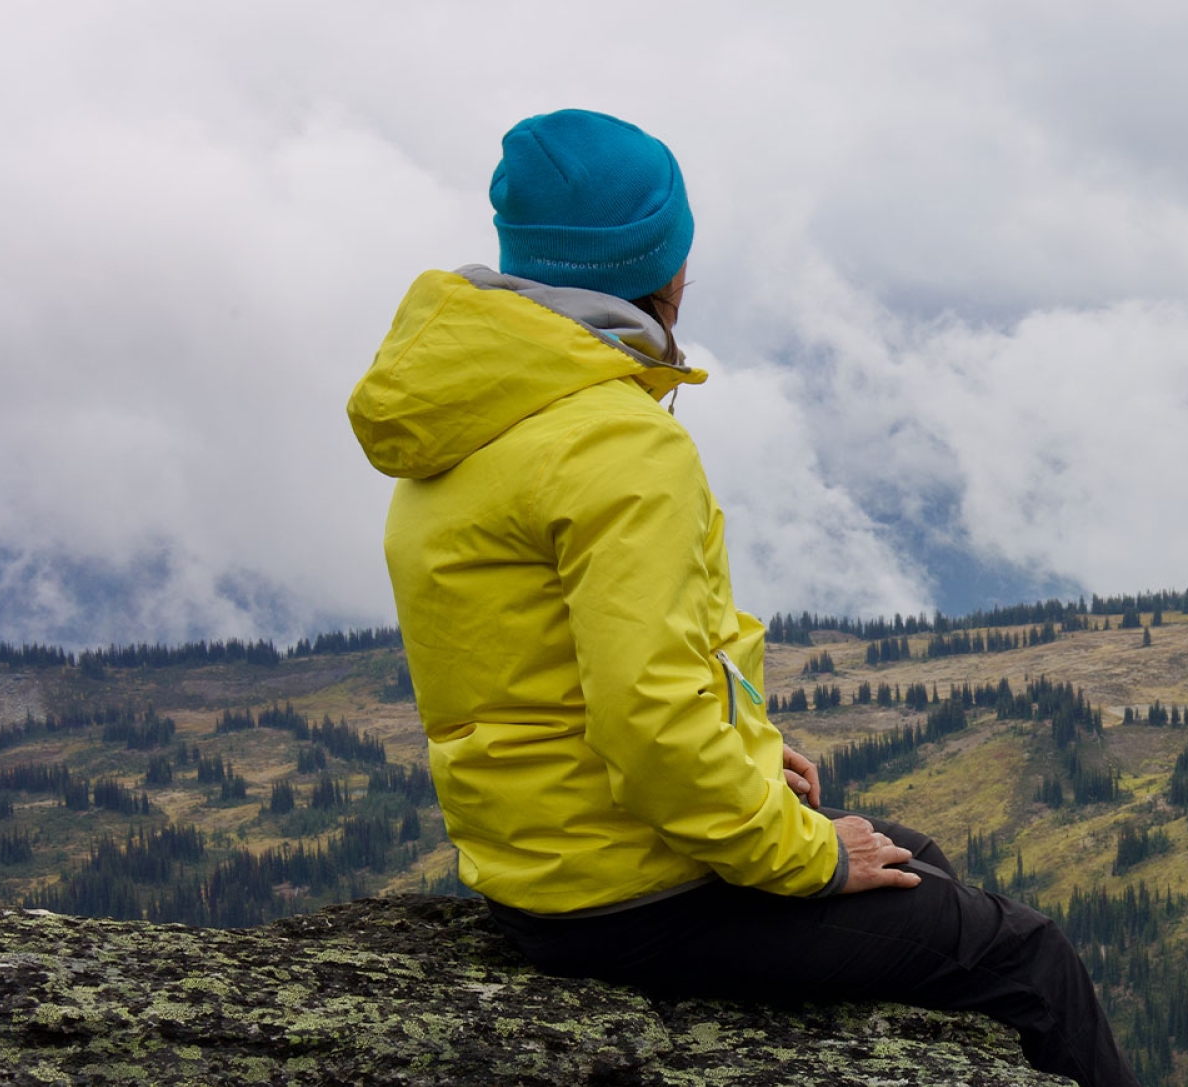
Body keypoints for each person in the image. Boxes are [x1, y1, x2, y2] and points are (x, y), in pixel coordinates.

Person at [345, 109, 1136, 1087]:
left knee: (913, 856)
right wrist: (803, 858)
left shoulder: (469, 425)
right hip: (634, 899)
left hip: (539, 872)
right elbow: (649, 723)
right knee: (1028, 957)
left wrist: (753, 756)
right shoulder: (617, 444)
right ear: (663, 267)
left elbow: (556, 674)